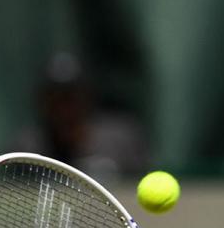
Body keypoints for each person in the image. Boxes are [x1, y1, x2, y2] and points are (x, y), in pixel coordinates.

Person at [12, 52, 151, 181]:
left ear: (88, 98)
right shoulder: (26, 150)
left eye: (70, 97)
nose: (63, 108)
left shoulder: (122, 140)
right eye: (54, 99)